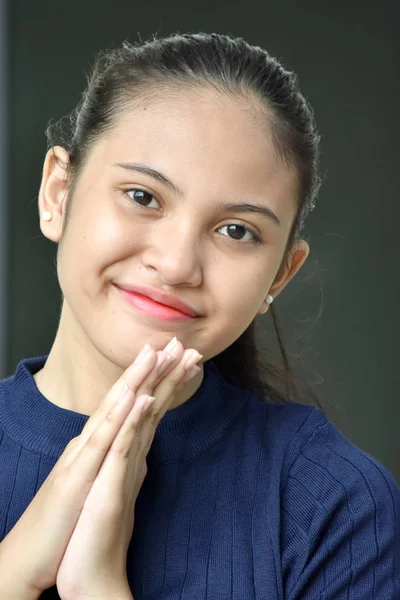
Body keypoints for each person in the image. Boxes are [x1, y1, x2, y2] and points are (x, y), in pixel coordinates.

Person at [0, 32, 398, 600]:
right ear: (57, 194)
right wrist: (13, 571)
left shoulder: (333, 504)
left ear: (279, 276)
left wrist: (98, 586)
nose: (177, 263)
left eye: (236, 231)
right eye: (142, 196)